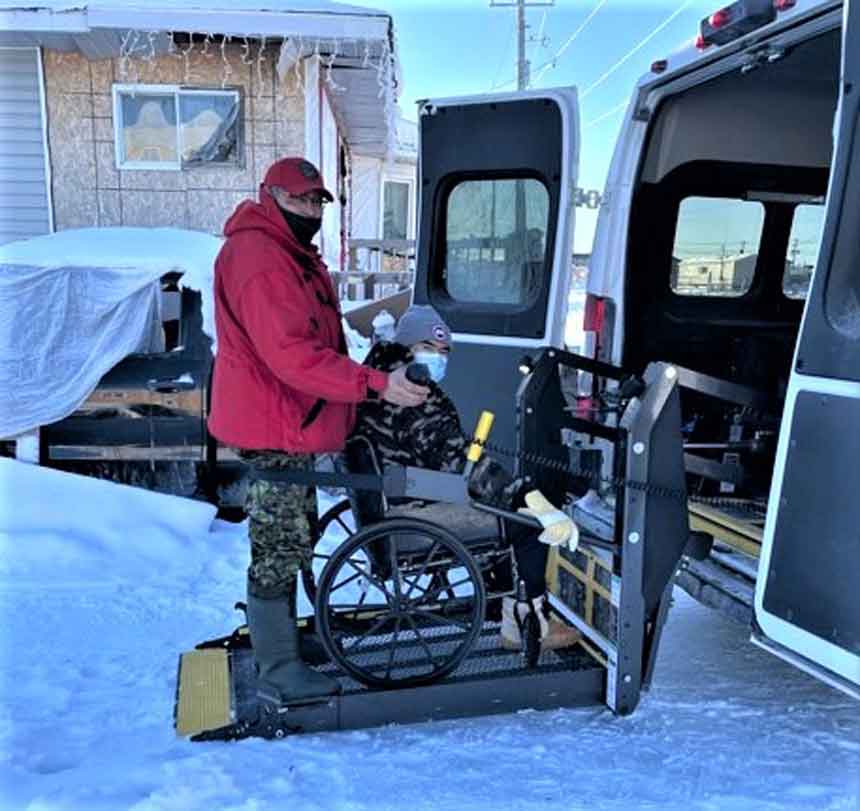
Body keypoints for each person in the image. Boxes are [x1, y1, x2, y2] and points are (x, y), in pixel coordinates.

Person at [207, 157, 429, 711]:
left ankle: (280, 640)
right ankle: (279, 669)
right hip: (275, 421)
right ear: (271, 196)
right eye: (300, 199)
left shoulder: (288, 252)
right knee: (280, 543)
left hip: (287, 420)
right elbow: (293, 356)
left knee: (294, 531)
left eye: (317, 202)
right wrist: (375, 384)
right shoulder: (260, 259)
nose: (310, 210)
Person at [351, 305, 580, 653]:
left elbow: (447, 456)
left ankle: (502, 599)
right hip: (410, 507)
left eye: (444, 352)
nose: (439, 358)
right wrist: (528, 497)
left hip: (402, 487)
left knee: (499, 497)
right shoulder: (412, 392)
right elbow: (458, 462)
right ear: (408, 347)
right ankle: (526, 620)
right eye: (429, 348)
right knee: (523, 518)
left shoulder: (382, 377)